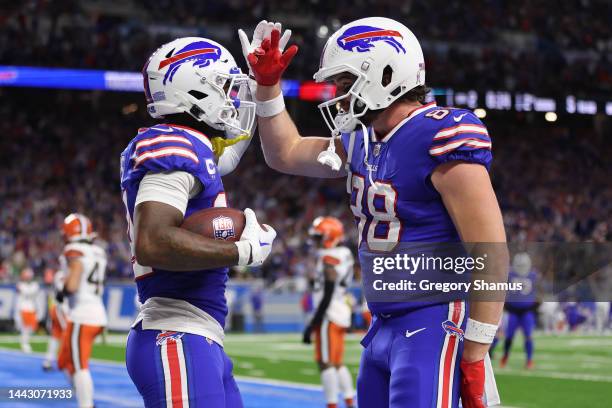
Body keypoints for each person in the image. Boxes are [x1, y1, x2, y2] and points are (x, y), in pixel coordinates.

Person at [240, 17, 508, 407]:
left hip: (432, 320)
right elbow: (285, 153)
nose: (339, 95)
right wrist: (267, 88)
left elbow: (489, 247)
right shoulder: (361, 139)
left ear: (385, 74)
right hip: (382, 325)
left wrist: (477, 348)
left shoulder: (441, 133)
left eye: (346, 84)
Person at [121, 35, 277, 408]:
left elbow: (234, 147)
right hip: (175, 332)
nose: (232, 98)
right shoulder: (172, 144)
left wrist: (262, 83)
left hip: (195, 334)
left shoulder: (190, 143)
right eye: (225, 86)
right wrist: (241, 251)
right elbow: (153, 242)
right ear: (194, 90)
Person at [302, 217, 356, 408]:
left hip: (329, 314)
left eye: (318, 237)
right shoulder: (345, 253)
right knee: (337, 362)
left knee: (326, 363)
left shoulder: (329, 256)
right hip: (340, 312)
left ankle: (332, 404)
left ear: (329, 236)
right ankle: (350, 401)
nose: (315, 241)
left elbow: (328, 290)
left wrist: (313, 323)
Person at [57, 213, 108, 408]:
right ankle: (84, 398)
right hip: (96, 313)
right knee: (64, 361)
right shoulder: (98, 251)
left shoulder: (74, 250)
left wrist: (62, 290)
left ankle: (86, 405)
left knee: (79, 366)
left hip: (82, 315)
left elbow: (73, 284)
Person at [500, 253, 538, 369]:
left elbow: (537, 292)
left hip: (527, 310)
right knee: (509, 336)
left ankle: (529, 360)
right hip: (513, 310)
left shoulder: (533, 275)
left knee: (529, 336)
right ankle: (505, 356)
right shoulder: (509, 274)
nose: (522, 267)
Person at [42, 268, 66, 371]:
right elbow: (63, 291)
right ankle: (66, 362)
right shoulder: (62, 274)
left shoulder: (62, 273)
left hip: (59, 308)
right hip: (62, 308)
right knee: (68, 334)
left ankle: (47, 362)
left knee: (55, 337)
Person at [15, 267, 40, 353]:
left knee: (31, 328)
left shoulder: (34, 285)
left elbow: (31, 292)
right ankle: (24, 344)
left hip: (31, 308)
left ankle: (25, 342)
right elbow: (25, 291)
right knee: (24, 327)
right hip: (23, 308)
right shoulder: (20, 285)